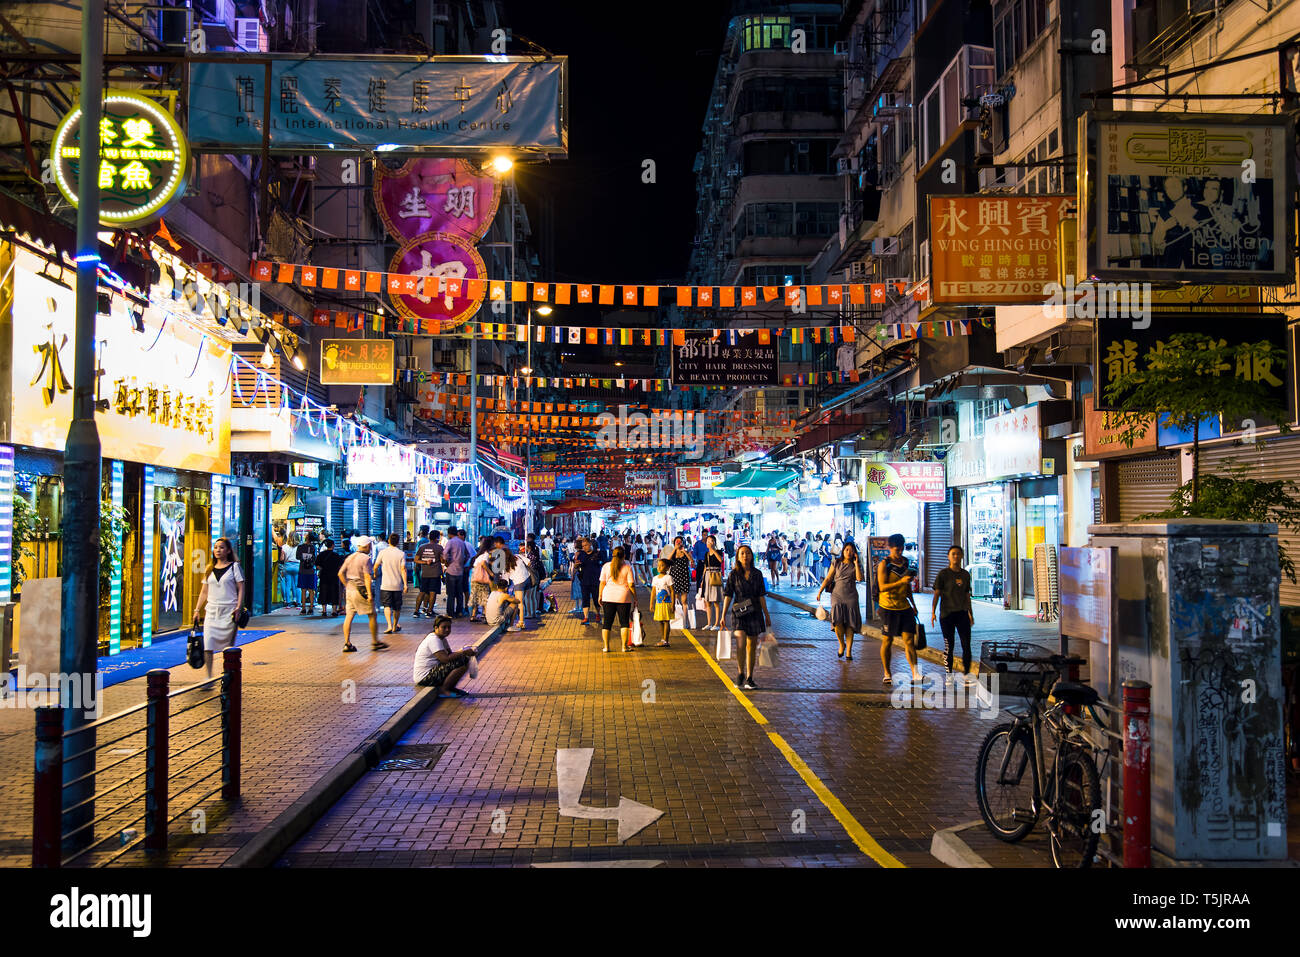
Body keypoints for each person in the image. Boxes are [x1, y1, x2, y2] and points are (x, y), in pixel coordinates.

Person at [192, 537, 245, 678]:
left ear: (228, 550)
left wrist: (238, 607)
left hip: (229, 611)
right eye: (215, 547)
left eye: (221, 547)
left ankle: (228, 674)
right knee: (207, 644)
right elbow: (204, 591)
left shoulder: (234, 567)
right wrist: (197, 609)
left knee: (228, 648)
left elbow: (241, 588)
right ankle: (208, 676)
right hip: (211, 611)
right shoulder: (209, 569)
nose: (218, 550)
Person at [720, 545, 771, 691]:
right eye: (742, 553)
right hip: (739, 613)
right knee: (741, 643)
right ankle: (740, 673)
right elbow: (728, 595)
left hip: (755, 612)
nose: (745, 556)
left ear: (751, 556)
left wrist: (767, 615)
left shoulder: (758, 574)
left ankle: (749, 677)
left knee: (751, 645)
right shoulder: (733, 574)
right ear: (737, 556)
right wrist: (723, 615)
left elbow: (762, 595)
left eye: (748, 553)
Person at [876, 533, 920, 684]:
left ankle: (915, 673)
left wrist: (913, 605)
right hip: (888, 607)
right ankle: (887, 672)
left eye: (901, 549)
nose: (899, 552)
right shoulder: (884, 564)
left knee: (909, 640)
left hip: (904, 606)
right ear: (890, 548)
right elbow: (882, 587)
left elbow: (907, 587)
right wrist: (900, 582)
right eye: (896, 550)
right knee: (887, 640)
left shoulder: (906, 563)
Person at [931, 545, 975, 678]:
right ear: (948, 557)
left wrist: (970, 614)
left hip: (962, 614)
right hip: (947, 615)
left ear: (962, 556)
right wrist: (933, 612)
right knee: (949, 646)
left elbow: (967, 595)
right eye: (953, 554)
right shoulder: (943, 574)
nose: (956, 556)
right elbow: (937, 594)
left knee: (966, 645)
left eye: (958, 554)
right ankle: (949, 675)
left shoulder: (965, 574)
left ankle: (966, 674)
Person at [817, 542, 865, 660]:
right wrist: (820, 591)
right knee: (837, 622)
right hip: (837, 595)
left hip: (851, 596)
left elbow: (859, 578)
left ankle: (848, 651)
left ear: (855, 552)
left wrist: (856, 563)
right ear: (843, 551)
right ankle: (841, 644)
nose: (849, 552)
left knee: (850, 624)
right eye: (847, 550)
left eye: (851, 550)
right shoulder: (836, 563)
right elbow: (828, 578)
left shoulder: (856, 565)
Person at [413, 615, 476, 698]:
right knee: (461, 661)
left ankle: (450, 688)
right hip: (424, 677)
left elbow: (450, 654)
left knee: (463, 659)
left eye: (449, 627)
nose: (447, 630)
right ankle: (444, 690)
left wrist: (465, 651)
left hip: (434, 671)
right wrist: (463, 652)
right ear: (436, 627)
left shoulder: (442, 638)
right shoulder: (433, 639)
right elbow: (445, 659)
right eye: (444, 627)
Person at [339, 537, 385, 653]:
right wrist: (369, 594)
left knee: (349, 616)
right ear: (367, 546)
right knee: (372, 614)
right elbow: (367, 577)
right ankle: (375, 642)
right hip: (361, 589)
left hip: (350, 589)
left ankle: (347, 643)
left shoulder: (350, 557)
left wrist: (347, 585)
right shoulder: (365, 559)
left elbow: (340, 573)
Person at [598, 545, 637, 653]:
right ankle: (624, 647)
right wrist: (635, 598)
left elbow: (602, 583)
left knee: (607, 622)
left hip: (608, 596)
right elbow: (631, 585)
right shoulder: (627, 566)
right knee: (624, 622)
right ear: (624, 556)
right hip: (623, 597)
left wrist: (600, 595)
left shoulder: (606, 566)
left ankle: (606, 647)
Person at [377, 532, 408, 634]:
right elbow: (403, 569)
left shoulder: (382, 552)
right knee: (397, 607)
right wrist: (405, 584)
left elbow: (376, 565)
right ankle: (395, 625)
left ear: (389, 541)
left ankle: (389, 625)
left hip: (385, 584)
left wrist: (374, 574)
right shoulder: (401, 554)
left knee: (386, 606)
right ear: (398, 542)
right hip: (397, 585)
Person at [414, 530, 444, 618]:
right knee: (432, 593)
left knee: (422, 592)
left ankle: (416, 611)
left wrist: (424, 562)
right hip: (435, 574)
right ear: (436, 538)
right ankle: (429, 611)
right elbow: (442, 560)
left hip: (424, 574)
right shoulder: (439, 548)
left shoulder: (422, 547)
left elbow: (416, 560)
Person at [483, 576, 522, 643]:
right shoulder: (504, 595)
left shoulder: (492, 593)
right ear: (506, 588)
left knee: (504, 604)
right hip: (497, 621)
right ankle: (511, 626)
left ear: (497, 587)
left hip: (489, 620)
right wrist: (512, 597)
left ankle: (507, 624)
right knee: (514, 605)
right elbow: (518, 601)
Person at [574, 537, 602, 626]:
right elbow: (576, 567)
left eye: (586, 545)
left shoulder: (597, 554)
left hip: (595, 581)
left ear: (590, 544)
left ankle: (598, 614)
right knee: (585, 599)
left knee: (596, 599)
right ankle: (586, 617)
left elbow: (603, 565)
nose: (584, 547)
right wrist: (575, 566)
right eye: (583, 546)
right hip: (584, 581)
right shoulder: (581, 555)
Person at [443, 526, 469, 618]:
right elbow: (467, 554)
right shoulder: (462, 542)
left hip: (451, 571)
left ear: (449, 533)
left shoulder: (450, 542)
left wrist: (447, 562)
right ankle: (459, 611)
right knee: (459, 593)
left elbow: (445, 554)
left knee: (450, 594)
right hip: (460, 572)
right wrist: (462, 563)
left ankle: (450, 613)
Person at [701, 534, 725, 630]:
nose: (708, 543)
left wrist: (713, 550)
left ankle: (717, 624)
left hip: (715, 576)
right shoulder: (706, 554)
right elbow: (705, 567)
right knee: (708, 602)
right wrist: (702, 580)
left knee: (716, 601)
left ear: (714, 542)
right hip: (707, 576)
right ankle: (709, 623)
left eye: (710, 541)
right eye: (707, 541)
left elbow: (720, 560)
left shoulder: (718, 551)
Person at [666, 535, 692, 622]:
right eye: (677, 542)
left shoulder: (686, 552)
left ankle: (685, 620)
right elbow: (667, 560)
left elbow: (692, 562)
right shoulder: (673, 553)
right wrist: (674, 549)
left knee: (684, 600)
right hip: (674, 577)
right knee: (675, 598)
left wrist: (684, 552)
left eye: (680, 542)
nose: (678, 543)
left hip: (684, 577)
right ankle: (676, 620)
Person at [315, 538, 343, 617]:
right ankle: (334, 610)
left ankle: (324, 610)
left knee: (323, 592)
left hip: (324, 576)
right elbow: (340, 566)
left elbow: (317, 565)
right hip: (334, 576)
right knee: (334, 592)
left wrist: (323, 569)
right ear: (333, 546)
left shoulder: (321, 555)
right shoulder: (336, 555)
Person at [468, 539, 495, 623]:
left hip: (475, 576)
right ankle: (487, 617)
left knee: (475, 596)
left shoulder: (480, 554)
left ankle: (473, 615)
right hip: (482, 578)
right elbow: (483, 563)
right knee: (484, 596)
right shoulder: (486, 554)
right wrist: (490, 573)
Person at [650, 558, 675, 647]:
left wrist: (673, 604)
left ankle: (665, 640)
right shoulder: (655, 578)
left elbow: (672, 591)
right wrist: (651, 604)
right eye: (658, 565)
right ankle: (662, 638)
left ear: (667, 568)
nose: (659, 567)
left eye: (662, 565)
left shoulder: (668, 577)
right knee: (660, 621)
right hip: (658, 603)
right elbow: (653, 591)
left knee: (666, 621)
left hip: (666, 603)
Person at [274, 528, 300, 609]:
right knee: (297, 585)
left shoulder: (284, 547)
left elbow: (281, 558)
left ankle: (288, 603)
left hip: (287, 566)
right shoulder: (299, 547)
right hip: (297, 566)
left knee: (287, 585)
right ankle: (298, 602)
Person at [295, 532, 318, 615]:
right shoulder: (314, 547)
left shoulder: (300, 547)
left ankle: (303, 608)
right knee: (311, 590)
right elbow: (315, 558)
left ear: (307, 538)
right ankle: (311, 608)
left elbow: (297, 557)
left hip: (302, 570)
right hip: (312, 570)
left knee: (303, 590)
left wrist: (303, 557)